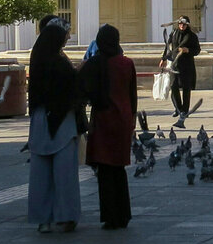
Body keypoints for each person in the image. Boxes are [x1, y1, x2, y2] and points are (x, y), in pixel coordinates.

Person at [26, 20, 82, 233]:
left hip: (41, 119)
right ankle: (66, 216)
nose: (68, 37)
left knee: (40, 174)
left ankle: (43, 219)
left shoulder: (39, 56)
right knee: (65, 173)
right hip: (62, 122)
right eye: (66, 34)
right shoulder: (59, 62)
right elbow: (70, 88)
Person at [80, 23, 137, 230]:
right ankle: (123, 215)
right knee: (119, 169)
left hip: (103, 119)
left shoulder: (94, 63)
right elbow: (133, 96)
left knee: (105, 169)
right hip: (123, 119)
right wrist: (132, 120)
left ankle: (110, 216)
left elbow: (82, 90)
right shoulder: (126, 63)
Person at [162, 16, 200, 128]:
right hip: (175, 64)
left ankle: (184, 111)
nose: (182, 26)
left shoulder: (191, 36)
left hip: (187, 66)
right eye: (180, 24)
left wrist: (188, 50)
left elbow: (197, 50)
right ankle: (178, 108)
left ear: (187, 25)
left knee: (186, 89)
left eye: (184, 24)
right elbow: (168, 46)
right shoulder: (174, 33)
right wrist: (163, 59)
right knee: (173, 87)